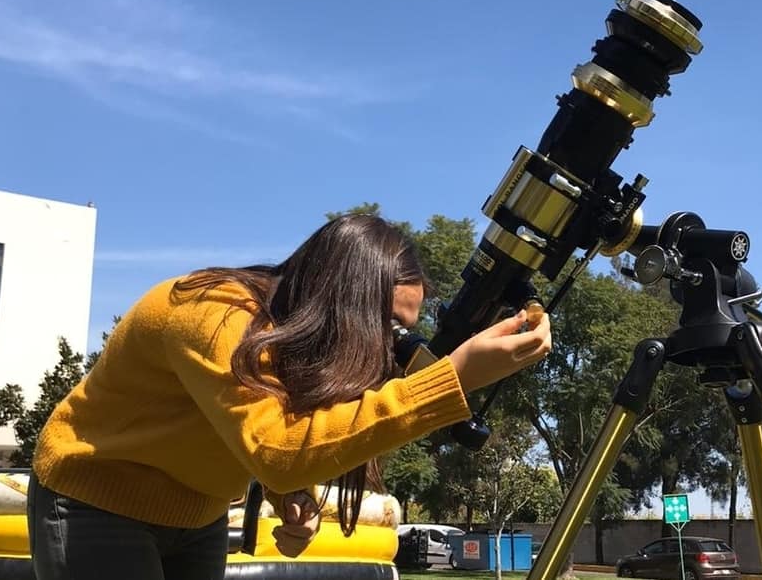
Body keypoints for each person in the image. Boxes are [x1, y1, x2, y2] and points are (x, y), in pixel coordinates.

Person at [27, 213, 552, 580]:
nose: (390, 347)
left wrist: (287, 496)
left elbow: (253, 426)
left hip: (198, 515)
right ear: (339, 292)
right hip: (95, 501)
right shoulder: (213, 314)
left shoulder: (293, 339)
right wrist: (450, 381)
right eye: (390, 325)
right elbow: (277, 451)